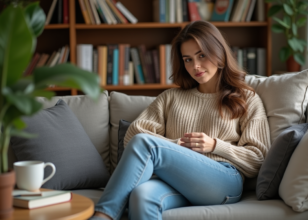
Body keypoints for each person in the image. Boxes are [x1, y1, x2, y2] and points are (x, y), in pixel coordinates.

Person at [90, 20, 271, 220]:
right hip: (176, 181)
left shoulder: (246, 98)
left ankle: (103, 216)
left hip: (224, 180)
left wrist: (214, 145)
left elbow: (258, 158)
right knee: (141, 196)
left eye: (202, 55)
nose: (196, 66)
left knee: (147, 144)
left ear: (218, 53)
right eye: (188, 59)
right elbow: (133, 134)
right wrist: (178, 146)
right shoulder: (171, 97)